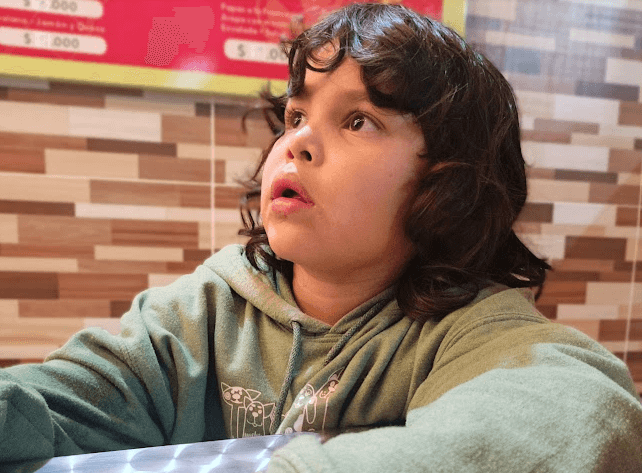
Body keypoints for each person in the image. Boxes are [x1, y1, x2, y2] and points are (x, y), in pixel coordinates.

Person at [1, 3, 641, 472]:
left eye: (358, 120)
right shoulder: (199, 314)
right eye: (296, 114)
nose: (298, 140)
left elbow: (585, 412)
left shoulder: (469, 330)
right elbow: (47, 408)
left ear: (447, 183)